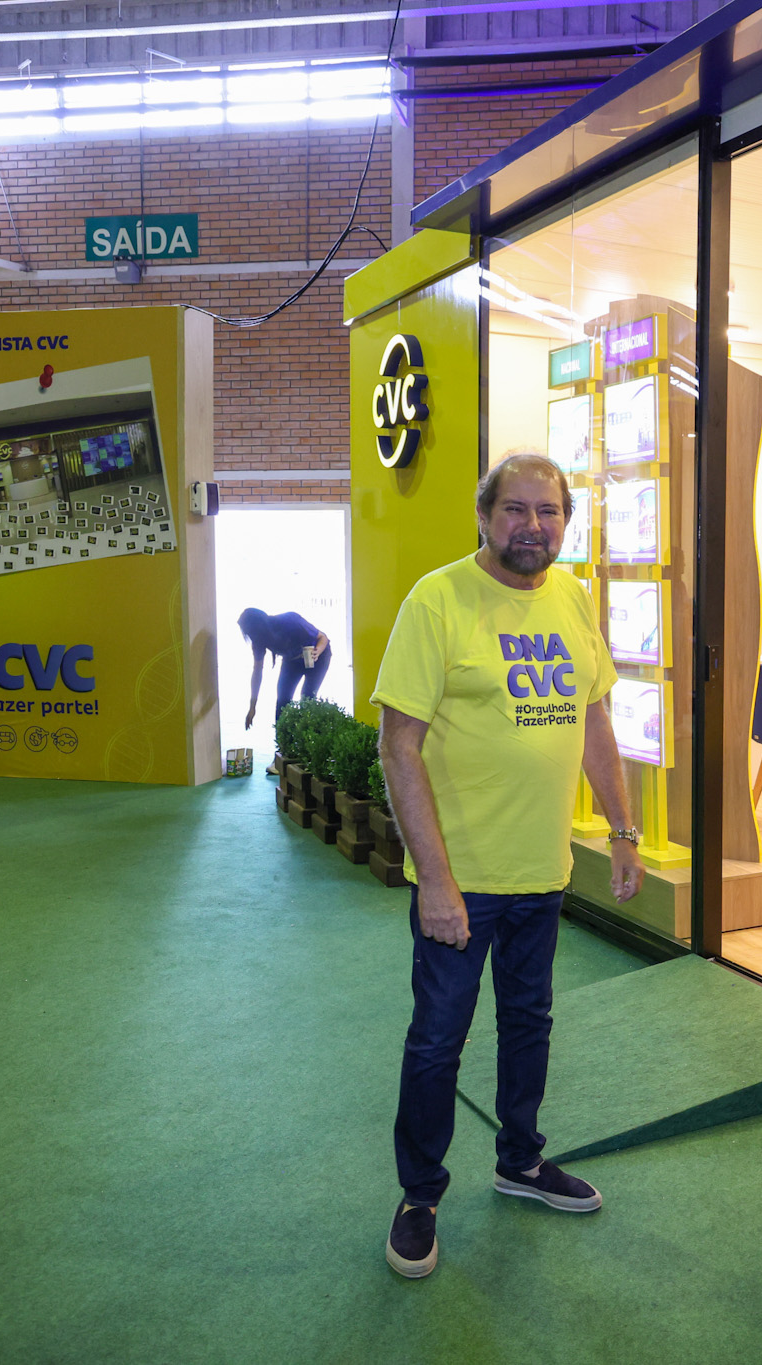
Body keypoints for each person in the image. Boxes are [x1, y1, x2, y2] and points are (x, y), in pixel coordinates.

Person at [373, 452, 645, 1280]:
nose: (534, 525)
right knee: (437, 1042)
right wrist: (438, 880)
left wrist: (624, 827)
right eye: (518, 510)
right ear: (485, 516)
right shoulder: (439, 599)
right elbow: (399, 745)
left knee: (530, 1024)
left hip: (541, 873)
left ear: (567, 520)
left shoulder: (570, 597)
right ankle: (419, 1195)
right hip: (464, 882)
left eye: (550, 511)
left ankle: (520, 1160)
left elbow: (595, 717)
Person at [239, 607, 330, 729]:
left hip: (318, 656)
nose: (252, 637)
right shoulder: (259, 640)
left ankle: (309, 738)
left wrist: (317, 651)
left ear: (259, 626)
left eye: (251, 633)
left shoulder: (290, 621)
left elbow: (323, 638)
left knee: (307, 696)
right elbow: (257, 672)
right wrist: (252, 707)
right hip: (291, 661)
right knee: (283, 700)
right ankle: (283, 741)